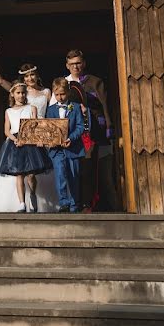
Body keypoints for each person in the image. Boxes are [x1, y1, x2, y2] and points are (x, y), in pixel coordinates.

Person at [58, 49, 119, 211]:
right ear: (67, 65)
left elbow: (105, 105)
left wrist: (109, 126)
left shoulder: (95, 82)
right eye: (72, 64)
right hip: (73, 133)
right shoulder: (63, 84)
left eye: (78, 63)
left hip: (95, 131)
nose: (75, 67)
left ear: (83, 63)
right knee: (76, 170)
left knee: (98, 171)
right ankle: (76, 204)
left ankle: (103, 206)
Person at [0, 83, 52, 213]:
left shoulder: (32, 108)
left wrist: (34, 139)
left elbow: (34, 126)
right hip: (15, 144)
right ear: (12, 94)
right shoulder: (8, 111)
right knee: (19, 174)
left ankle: (32, 194)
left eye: (23, 93)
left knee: (31, 174)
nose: (21, 95)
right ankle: (21, 203)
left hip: (30, 143)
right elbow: (7, 130)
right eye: (18, 93)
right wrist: (15, 140)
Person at [45, 78, 86, 212]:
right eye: (56, 95)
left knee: (73, 176)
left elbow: (80, 127)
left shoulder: (75, 107)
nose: (60, 97)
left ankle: (75, 205)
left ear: (68, 93)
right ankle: (64, 203)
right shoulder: (50, 110)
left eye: (62, 94)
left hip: (72, 148)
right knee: (60, 175)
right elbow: (49, 128)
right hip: (57, 150)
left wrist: (71, 138)